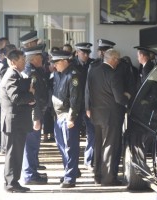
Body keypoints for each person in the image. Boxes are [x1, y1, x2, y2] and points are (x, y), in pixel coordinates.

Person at [87, 49, 130, 186]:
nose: (118, 62)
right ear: (113, 59)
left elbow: (87, 91)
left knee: (98, 145)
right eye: (117, 59)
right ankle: (109, 178)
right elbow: (119, 98)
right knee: (111, 146)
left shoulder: (93, 71)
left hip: (96, 114)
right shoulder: (113, 74)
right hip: (111, 116)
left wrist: (88, 108)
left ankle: (97, 176)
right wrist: (127, 97)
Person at [0, 49, 35, 192]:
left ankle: (13, 181)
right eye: (22, 60)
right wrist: (30, 96)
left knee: (16, 153)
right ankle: (11, 183)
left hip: (17, 122)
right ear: (13, 62)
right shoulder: (11, 76)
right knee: (13, 153)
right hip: (14, 122)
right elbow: (16, 98)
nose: (24, 62)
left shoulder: (16, 74)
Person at [51, 50, 82, 188]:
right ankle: (69, 172)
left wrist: (71, 118)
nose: (54, 66)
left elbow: (75, 98)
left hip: (67, 115)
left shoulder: (73, 76)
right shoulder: (58, 74)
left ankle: (70, 177)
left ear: (64, 61)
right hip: (58, 116)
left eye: (56, 63)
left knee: (70, 147)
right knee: (62, 146)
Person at [21, 44, 49, 185]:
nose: (42, 60)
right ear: (34, 58)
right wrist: (36, 117)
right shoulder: (32, 74)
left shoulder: (34, 71)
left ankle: (31, 172)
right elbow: (34, 98)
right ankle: (30, 175)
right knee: (31, 146)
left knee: (32, 146)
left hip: (34, 115)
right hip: (33, 115)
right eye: (40, 57)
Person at [73, 42, 95, 170]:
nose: (86, 55)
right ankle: (74, 162)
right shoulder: (71, 65)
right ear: (77, 52)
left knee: (91, 132)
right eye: (83, 53)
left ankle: (89, 160)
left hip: (89, 105)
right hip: (75, 105)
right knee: (73, 134)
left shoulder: (93, 65)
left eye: (87, 53)